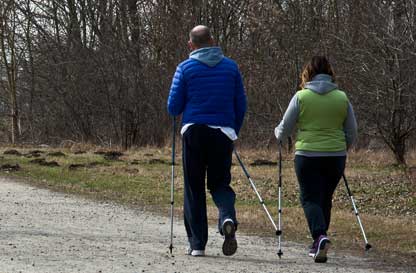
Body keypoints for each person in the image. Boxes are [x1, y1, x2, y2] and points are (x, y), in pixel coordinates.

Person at [167, 25, 247, 257]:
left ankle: (197, 244)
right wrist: (233, 130)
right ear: (212, 40)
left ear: (191, 45)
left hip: (194, 131)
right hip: (222, 132)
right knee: (219, 183)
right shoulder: (231, 68)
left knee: (194, 187)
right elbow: (241, 105)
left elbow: (173, 107)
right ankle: (227, 218)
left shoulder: (185, 68)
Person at [274, 56, 357, 263]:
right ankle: (320, 242)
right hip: (336, 156)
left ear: (308, 73)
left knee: (309, 198)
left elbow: (285, 128)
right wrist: (343, 146)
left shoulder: (301, 97)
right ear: (330, 74)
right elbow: (352, 131)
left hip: (307, 155)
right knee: (324, 197)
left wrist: (278, 135)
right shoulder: (342, 97)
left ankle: (320, 236)